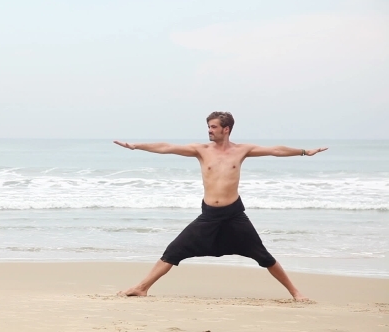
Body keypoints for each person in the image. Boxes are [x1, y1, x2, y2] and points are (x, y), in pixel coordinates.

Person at [113, 111, 328, 301]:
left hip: (234, 214)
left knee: (263, 256)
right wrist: (136, 146)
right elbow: (167, 147)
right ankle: (142, 288)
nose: (209, 130)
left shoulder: (242, 150)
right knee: (174, 250)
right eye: (208, 127)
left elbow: (275, 150)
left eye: (213, 127)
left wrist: (303, 151)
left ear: (226, 129)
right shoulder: (201, 150)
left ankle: (296, 293)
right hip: (208, 216)